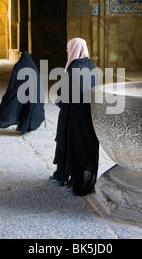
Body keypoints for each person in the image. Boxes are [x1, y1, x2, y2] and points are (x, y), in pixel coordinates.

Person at [49, 38, 99, 196]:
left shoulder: (73, 68)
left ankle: (63, 177)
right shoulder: (91, 66)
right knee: (82, 147)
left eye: (68, 49)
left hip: (71, 116)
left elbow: (63, 93)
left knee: (68, 144)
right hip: (87, 115)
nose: (66, 52)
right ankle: (79, 179)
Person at [0, 52, 45, 133]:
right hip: (32, 93)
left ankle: (21, 125)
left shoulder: (18, 65)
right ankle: (26, 126)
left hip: (21, 93)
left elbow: (14, 81)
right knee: (29, 108)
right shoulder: (33, 67)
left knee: (20, 107)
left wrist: (11, 92)